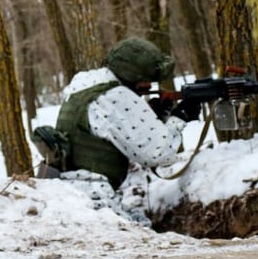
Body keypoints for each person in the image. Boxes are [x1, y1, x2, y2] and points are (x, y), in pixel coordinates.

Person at [53, 37, 200, 226]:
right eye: (145, 83)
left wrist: (157, 115)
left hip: (73, 191)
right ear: (131, 76)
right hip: (94, 200)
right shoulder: (114, 96)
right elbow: (158, 154)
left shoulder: (85, 86)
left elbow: (113, 130)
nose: (148, 88)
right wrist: (180, 117)